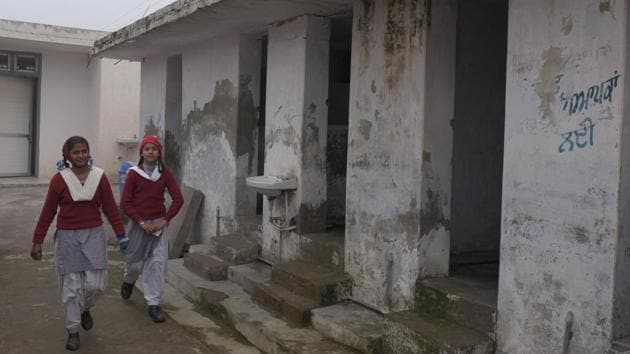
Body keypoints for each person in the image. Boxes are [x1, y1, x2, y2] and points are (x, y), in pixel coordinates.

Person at [31, 136, 129, 351]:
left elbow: (111, 209)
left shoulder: (99, 177)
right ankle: (73, 330)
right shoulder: (59, 180)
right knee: (71, 288)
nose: (81, 155)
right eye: (76, 152)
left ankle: (85, 308)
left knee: (96, 285)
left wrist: (121, 234)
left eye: (84, 151)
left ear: (89, 152)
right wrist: (37, 240)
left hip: (93, 234)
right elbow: (48, 212)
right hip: (68, 237)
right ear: (67, 155)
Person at [120, 135, 184, 323]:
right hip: (138, 224)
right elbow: (126, 202)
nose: (150, 152)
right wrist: (141, 222)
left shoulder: (164, 174)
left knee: (156, 264)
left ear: (159, 152)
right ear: (141, 152)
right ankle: (129, 280)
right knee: (135, 264)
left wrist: (164, 221)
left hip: (157, 225)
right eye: (146, 149)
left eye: (154, 149)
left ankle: (153, 303)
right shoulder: (133, 173)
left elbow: (178, 199)